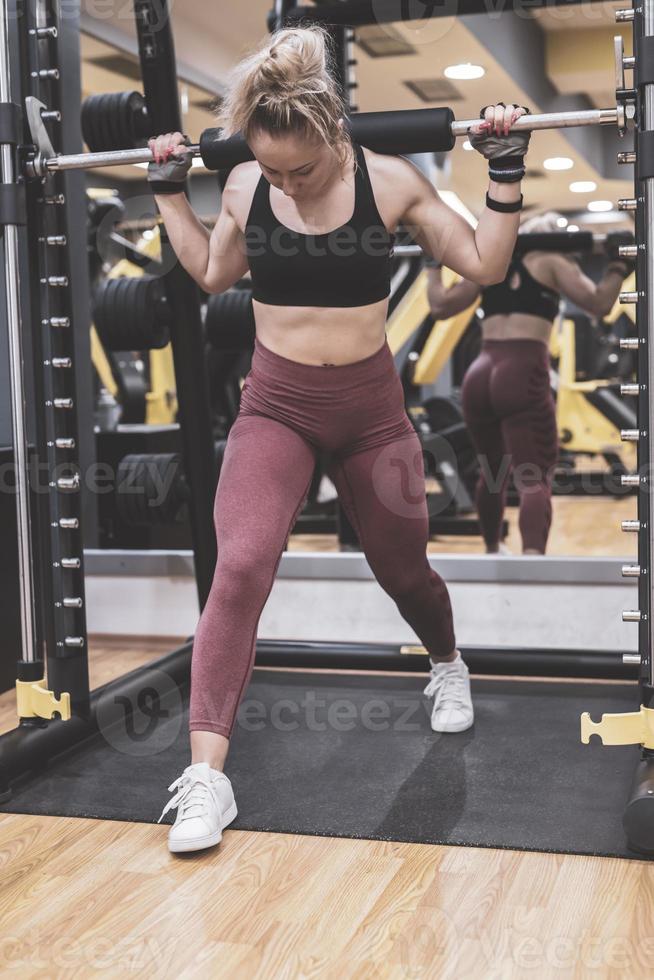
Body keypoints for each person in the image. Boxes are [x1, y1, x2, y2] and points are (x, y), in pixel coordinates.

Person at [148, 26, 531, 853]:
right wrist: (169, 192)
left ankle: (446, 662)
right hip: (275, 406)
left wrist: (504, 174)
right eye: (270, 167)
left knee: (404, 569)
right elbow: (213, 273)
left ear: (333, 133)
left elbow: (485, 266)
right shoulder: (249, 186)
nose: (283, 182)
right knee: (241, 563)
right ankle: (208, 778)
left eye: (301, 169)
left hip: (370, 413)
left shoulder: (391, 182)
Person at [426, 212, 634, 556]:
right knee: (533, 478)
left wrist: (432, 266)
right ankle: (532, 558)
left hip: (480, 372)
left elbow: (439, 307)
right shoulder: (551, 260)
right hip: (521, 370)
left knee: (491, 472)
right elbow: (599, 304)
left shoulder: (490, 263)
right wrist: (617, 265)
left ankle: (493, 549)